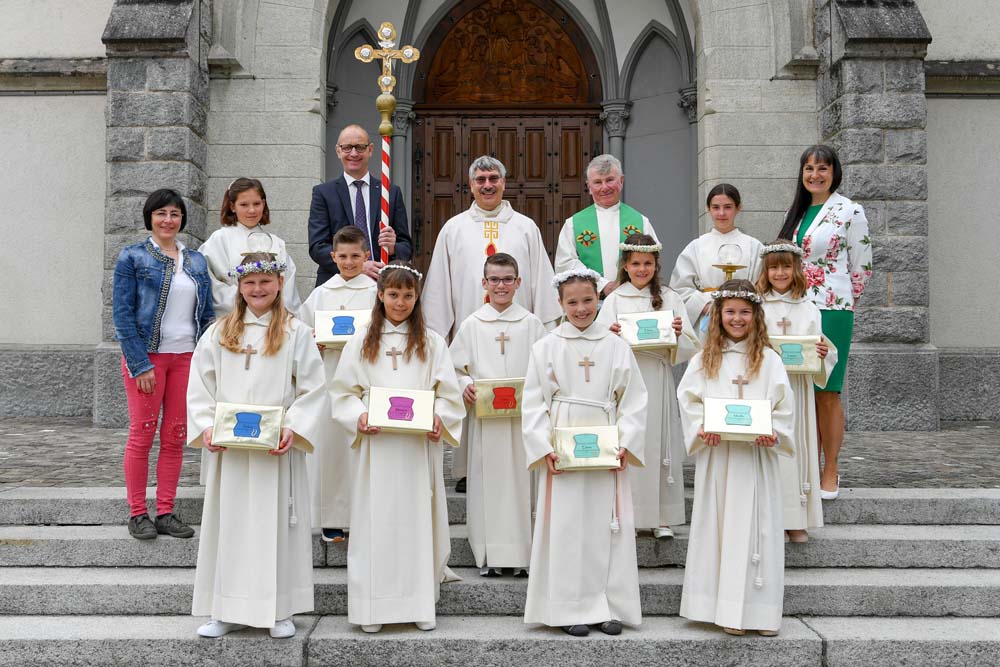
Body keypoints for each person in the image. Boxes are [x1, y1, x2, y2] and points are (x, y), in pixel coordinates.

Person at [186, 251, 329, 639]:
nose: (258, 289)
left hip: (274, 450)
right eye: (250, 283)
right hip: (232, 451)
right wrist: (206, 426)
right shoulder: (220, 332)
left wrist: (293, 427)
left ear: (279, 283)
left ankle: (278, 609)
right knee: (230, 526)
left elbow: (314, 388)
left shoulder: (296, 332)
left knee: (274, 527)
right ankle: (225, 608)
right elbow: (201, 384)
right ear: (240, 286)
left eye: (265, 281)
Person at [330, 262, 466, 634]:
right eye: (393, 294)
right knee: (376, 523)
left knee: (415, 523)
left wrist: (439, 417)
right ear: (380, 295)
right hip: (377, 447)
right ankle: (373, 608)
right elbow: (342, 392)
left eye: (408, 295)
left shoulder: (432, 342)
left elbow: (450, 395)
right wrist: (357, 416)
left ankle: (418, 603)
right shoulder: (361, 340)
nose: (401, 302)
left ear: (417, 297)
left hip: (416, 448)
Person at [423, 155, 562, 491]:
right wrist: (437, 339)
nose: (487, 185)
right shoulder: (453, 228)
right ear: (470, 185)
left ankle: (526, 462)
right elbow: (440, 286)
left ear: (504, 182)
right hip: (472, 334)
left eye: (493, 179)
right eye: (480, 180)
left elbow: (542, 286)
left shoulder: (525, 227)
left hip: (520, 333)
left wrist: (548, 335)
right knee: (473, 392)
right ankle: (469, 470)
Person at [521, 268, 647, 638]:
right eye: (572, 302)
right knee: (566, 527)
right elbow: (533, 402)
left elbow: (634, 398)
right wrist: (543, 446)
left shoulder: (616, 345)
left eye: (588, 300)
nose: (581, 309)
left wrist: (627, 441)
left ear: (598, 300)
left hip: (606, 445)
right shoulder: (546, 346)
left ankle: (608, 606)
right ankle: (567, 607)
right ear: (560, 303)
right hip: (563, 447)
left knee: (606, 527)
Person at [676, 279, 794, 637]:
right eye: (730, 311)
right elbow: (688, 399)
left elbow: (785, 406)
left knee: (759, 532)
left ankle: (762, 613)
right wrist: (701, 428)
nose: (737, 318)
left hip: (756, 458)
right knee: (720, 528)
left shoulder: (770, 361)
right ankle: (723, 609)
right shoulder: (704, 359)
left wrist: (774, 431)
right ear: (718, 314)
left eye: (744, 312)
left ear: (756, 315)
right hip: (721, 457)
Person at [112, 189, 214, 540]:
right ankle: (138, 513)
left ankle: (166, 511)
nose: (168, 220)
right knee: (142, 435)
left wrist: (206, 359)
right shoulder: (133, 257)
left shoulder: (197, 261)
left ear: (182, 218)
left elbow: (206, 314)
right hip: (148, 358)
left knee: (175, 437)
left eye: (174, 213)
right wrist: (139, 364)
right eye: (161, 213)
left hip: (186, 358)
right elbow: (122, 314)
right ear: (150, 218)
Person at [777, 145, 871, 500]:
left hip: (832, 309)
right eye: (809, 169)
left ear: (834, 173)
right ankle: (806, 467)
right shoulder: (797, 213)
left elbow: (862, 267)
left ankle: (830, 468)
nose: (815, 175)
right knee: (799, 389)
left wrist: (840, 300)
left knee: (826, 391)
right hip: (795, 309)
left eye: (822, 168)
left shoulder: (850, 210)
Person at [449, 253, 547, 577]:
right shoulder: (472, 324)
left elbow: (547, 368)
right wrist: (465, 385)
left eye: (507, 279)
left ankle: (522, 555)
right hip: (486, 422)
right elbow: (453, 368)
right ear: (484, 283)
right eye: (494, 279)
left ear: (518, 283)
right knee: (486, 485)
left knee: (522, 486)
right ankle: (488, 553)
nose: (501, 285)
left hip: (523, 422)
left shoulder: (531, 324)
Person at [596, 234, 699, 539]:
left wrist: (677, 335)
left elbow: (690, 344)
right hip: (627, 379)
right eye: (636, 264)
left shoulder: (669, 297)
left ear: (656, 265)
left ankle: (661, 516)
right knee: (631, 440)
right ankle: (629, 514)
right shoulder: (614, 299)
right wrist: (611, 334)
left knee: (658, 443)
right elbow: (598, 342)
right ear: (625, 266)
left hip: (656, 375)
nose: (642, 269)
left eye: (648, 263)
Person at [297, 225, 378, 543]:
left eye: (355, 256)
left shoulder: (374, 292)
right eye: (342, 256)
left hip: (362, 379)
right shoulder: (322, 293)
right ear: (332, 257)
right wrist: (313, 339)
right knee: (330, 447)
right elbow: (300, 329)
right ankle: (331, 518)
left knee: (358, 446)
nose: (349, 262)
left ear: (366, 256)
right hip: (330, 376)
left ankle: (361, 515)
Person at [757, 240, 837, 542]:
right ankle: (770, 518)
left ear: (796, 269)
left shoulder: (808, 308)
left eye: (786, 267)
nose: (780, 273)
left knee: (796, 450)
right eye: (774, 268)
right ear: (765, 271)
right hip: (767, 389)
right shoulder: (758, 306)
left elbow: (823, 348)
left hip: (797, 389)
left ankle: (796, 519)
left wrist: (822, 352)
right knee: (771, 449)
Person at [308, 124, 412, 285]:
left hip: (380, 283)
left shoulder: (390, 193)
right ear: (338, 151)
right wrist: (357, 266)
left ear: (370, 150)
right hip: (337, 283)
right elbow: (317, 247)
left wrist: (392, 247)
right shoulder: (323, 193)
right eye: (347, 148)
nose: (354, 153)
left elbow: (406, 247)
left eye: (360, 147)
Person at [554, 154, 660, 298]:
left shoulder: (640, 221)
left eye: (610, 180)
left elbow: (653, 260)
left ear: (621, 181)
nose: (604, 187)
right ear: (589, 187)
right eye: (597, 182)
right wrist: (602, 284)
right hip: (590, 302)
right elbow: (565, 263)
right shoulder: (573, 224)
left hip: (633, 298)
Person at [669, 184, 763, 339]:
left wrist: (743, 309)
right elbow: (680, 288)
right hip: (708, 317)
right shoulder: (696, 247)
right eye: (716, 207)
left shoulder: (754, 246)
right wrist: (704, 305)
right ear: (708, 208)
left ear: (738, 208)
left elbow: (763, 286)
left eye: (728, 207)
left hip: (744, 321)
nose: (721, 213)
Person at [199, 177, 301, 317]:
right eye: (244, 205)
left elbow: (288, 286)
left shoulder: (277, 243)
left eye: (256, 204)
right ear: (232, 206)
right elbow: (210, 281)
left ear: (263, 204)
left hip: (273, 318)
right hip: (234, 316)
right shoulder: (220, 239)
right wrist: (248, 302)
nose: (252, 210)